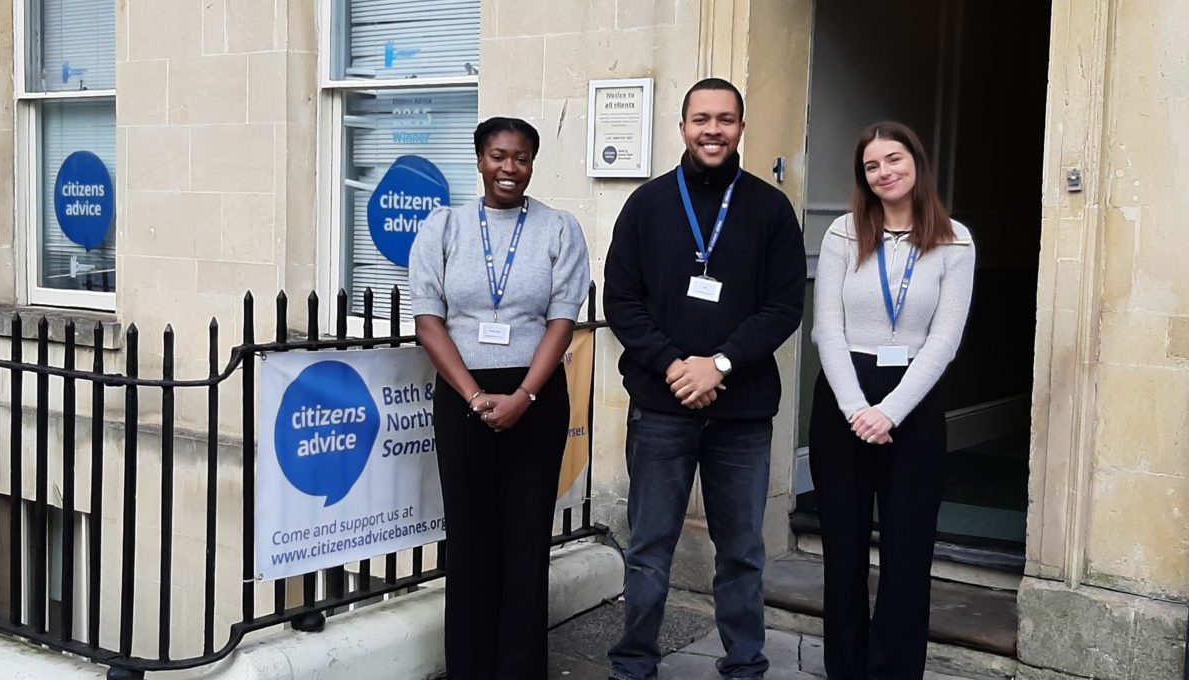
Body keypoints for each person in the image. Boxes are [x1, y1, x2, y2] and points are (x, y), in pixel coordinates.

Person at [603, 78, 806, 680]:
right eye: (701, 119)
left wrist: (718, 364)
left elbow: (784, 306)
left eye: (724, 119)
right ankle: (634, 662)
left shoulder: (770, 209)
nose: (712, 130)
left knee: (741, 551)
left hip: (742, 413)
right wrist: (674, 365)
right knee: (649, 547)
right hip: (660, 408)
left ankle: (744, 663)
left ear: (741, 127)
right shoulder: (646, 205)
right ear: (683, 127)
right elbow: (621, 301)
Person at [408, 116, 592, 679]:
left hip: (535, 397)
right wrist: (473, 395)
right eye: (498, 156)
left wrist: (523, 396)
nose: (509, 168)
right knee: (470, 539)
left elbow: (562, 321)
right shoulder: (444, 228)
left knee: (526, 540)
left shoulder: (559, 229)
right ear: (480, 160)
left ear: (532, 163)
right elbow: (428, 321)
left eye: (521, 158)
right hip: (463, 395)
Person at [808, 121, 975, 680]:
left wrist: (889, 413)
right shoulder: (842, 234)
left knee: (908, 554)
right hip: (844, 399)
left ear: (916, 163)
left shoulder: (955, 241)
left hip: (914, 403)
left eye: (894, 159)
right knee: (843, 550)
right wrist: (858, 409)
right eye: (872, 165)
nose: (884, 172)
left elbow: (944, 340)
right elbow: (827, 329)